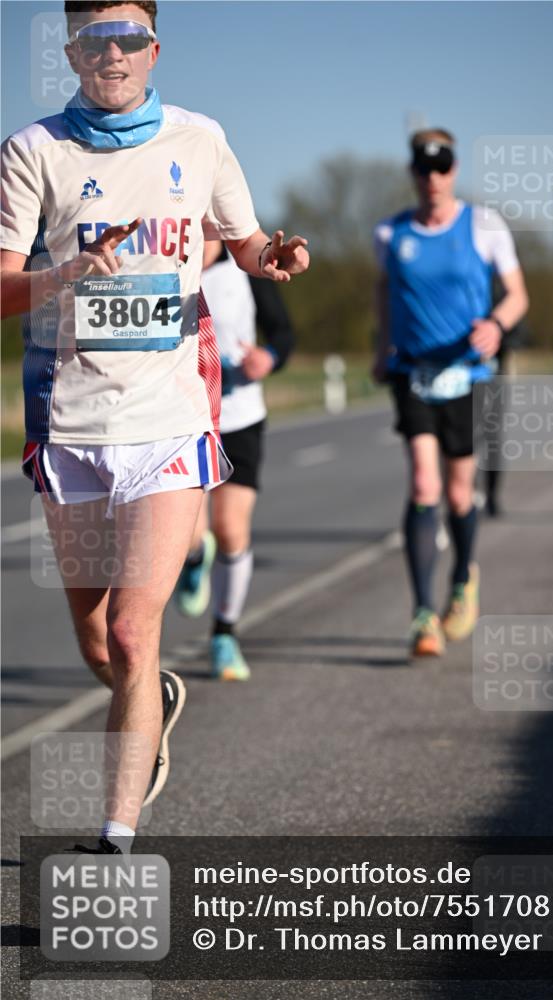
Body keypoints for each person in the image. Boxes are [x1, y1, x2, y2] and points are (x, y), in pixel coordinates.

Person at [0, 0, 308, 854]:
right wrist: (63, 275)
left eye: (128, 38)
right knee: (100, 642)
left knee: (138, 632)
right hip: (70, 425)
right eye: (95, 40)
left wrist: (273, 257)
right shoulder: (33, 151)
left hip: (171, 421)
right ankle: (154, 698)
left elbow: (244, 244)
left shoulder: (200, 140)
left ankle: (115, 834)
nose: (113, 54)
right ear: (71, 52)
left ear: (153, 49)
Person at [373, 128, 528, 658]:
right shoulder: (391, 234)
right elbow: (384, 292)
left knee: (460, 494)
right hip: (412, 372)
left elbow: (518, 295)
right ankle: (422, 615)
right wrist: (381, 347)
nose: (433, 176)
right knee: (423, 486)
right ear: (413, 172)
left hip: (467, 374)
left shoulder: (483, 225)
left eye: (443, 165)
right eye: (424, 166)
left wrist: (497, 327)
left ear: (454, 169)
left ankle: (462, 580)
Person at [174, 240, 295, 680]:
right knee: (190, 533)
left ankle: (224, 635)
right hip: (183, 418)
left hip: (240, 415)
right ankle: (191, 560)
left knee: (230, 529)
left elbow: (283, 331)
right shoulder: (169, 261)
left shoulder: (244, 261)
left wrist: (271, 356)